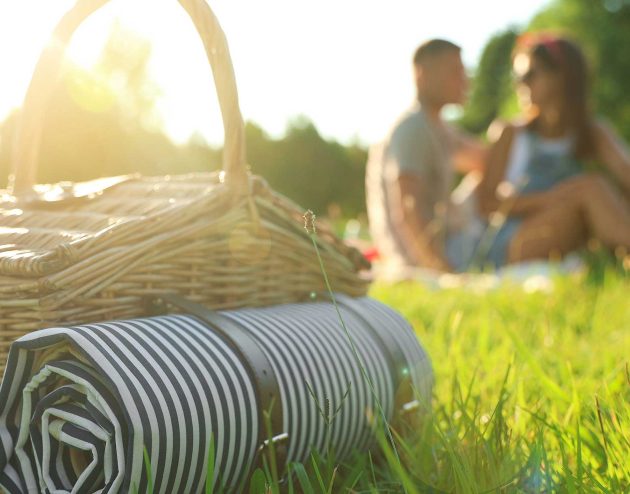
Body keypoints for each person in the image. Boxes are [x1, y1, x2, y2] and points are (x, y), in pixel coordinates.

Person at [477, 35, 630, 267]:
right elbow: (486, 204)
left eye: (529, 75)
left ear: (561, 76)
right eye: (517, 77)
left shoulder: (591, 131)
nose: (520, 84)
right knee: (590, 188)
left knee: (595, 189)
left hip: (565, 233)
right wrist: (553, 198)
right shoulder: (509, 132)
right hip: (509, 244)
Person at [366, 39, 486, 272]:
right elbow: (408, 209)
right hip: (418, 258)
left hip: (442, 245)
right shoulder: (413, 128)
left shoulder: (438, 128)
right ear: (422, 74)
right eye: (454, 72)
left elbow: (486, 161)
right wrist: (441, 270)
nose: (465, 80)